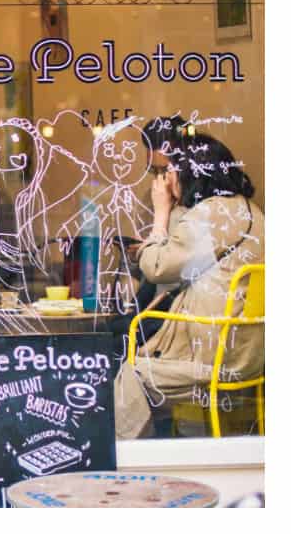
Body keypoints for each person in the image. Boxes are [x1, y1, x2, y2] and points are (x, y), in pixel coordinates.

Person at [114, 132, 264, 438]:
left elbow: (159, 268)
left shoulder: (210, 214)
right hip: (252, 352)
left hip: (215, 355)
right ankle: (175, 443)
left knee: (131, 370)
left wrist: (161, 213)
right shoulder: (249, 211)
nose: (166, 181)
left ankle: (130, 457)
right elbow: (189, 266)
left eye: (169, 172)